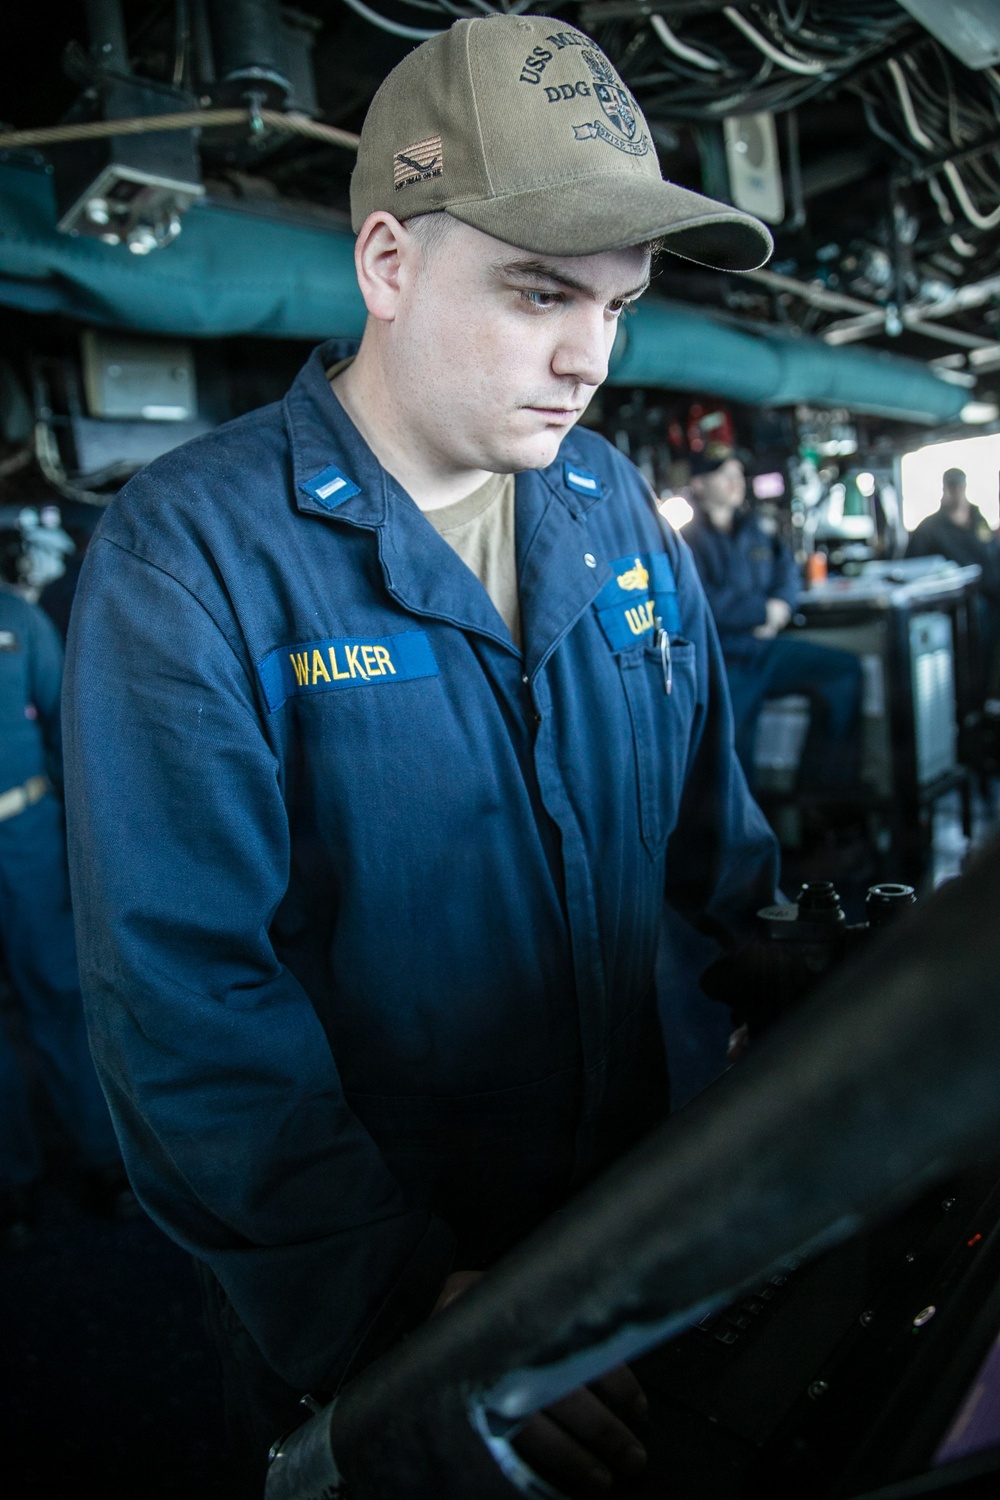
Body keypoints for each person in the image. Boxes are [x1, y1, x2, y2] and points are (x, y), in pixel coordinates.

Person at [63, 16, 779, 1497]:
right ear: (387, 263)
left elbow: (726, 864)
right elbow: (185, 1003)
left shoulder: (611, 511)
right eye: (537, 294)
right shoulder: (191, 556)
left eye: (622, 306)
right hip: (378, 1310)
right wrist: (391, 1308)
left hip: (636, 1239)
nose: (591, 358)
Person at [0, 584, 124, 1244]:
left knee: (60, 997)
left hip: (25, 837)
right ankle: (9, 1181)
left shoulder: (15, 617)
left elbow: (62, 727)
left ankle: (103, 1157)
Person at [685, 444, 862, 790]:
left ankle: (820, 794)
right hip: (723, 663)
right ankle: (739, 834)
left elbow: (789, 574)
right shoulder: (682, 540)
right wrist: (761, 611)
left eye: (738, 474)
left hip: (766, 650)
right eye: (725, 474)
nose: (736, 482)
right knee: (731, 755)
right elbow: (698, 600)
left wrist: (780, 605)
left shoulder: (757, 529)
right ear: (700, 483)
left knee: (843, 672)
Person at [907, 467, 1000, 693]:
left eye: (960, 486)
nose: (956, 491)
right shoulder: (929, 528)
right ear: (944, 489)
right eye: (952, 486)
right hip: (959, 607)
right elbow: (911, 567)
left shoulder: (979, 520)